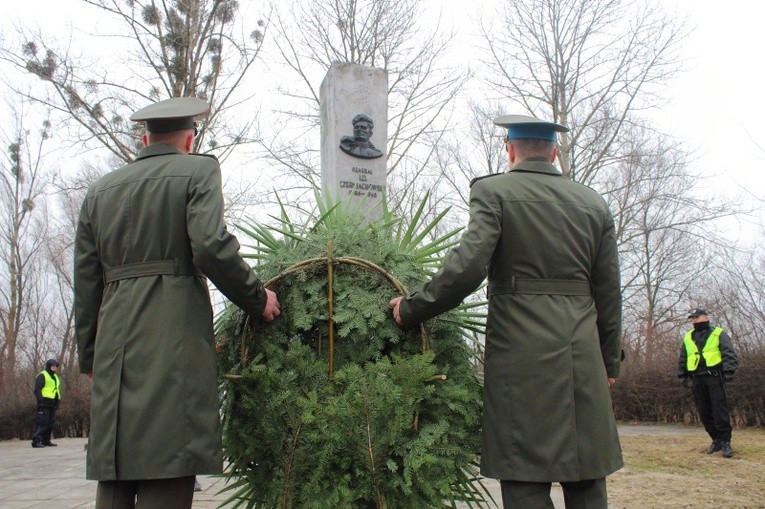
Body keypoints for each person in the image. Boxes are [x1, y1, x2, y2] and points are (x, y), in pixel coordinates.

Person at [390, 114, 623, 509]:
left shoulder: (494, 192)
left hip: (521, 356)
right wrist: (609, 361)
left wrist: (411, 308)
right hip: (582, 356)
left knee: (525, 477)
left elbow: (465, 269)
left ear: (510, 149)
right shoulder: (593, 203)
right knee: (586, 476)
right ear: (553, 152)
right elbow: (608, 292)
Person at [74, 96, 281, 509]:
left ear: (144, 138)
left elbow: (86, 282)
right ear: (190, 138)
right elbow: (209, 246)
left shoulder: (99, 191)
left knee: (116, 469)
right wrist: (258, 299)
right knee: (169, 456)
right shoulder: (198, 170)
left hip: (114, 340)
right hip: (173, 333)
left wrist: (91, 358)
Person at [677, 307, 738, 458]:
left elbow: (729, 353)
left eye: (696, 318)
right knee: (704, 412)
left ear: (705, 317)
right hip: (697, 378)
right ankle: (715, 440)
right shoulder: (688, 337)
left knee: (719, 411)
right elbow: (683, 357)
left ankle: (725, 442)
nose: (694, 321)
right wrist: (683, 375)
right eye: (692, 319)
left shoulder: (718, 333)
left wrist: (728, 372)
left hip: (715, 377)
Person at [31, 358, 61, 448]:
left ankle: (46, 440)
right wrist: (40, 401)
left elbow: (56, 390)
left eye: (56, 366)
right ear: (49, 366)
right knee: (42, 422)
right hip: (44, 402)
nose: (54, 367)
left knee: (50, 423)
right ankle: (36, 441)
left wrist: (57, 401)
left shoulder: (55, 377)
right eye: (53, 366)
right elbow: (37, 389)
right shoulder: (42, 375)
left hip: (52, 403)